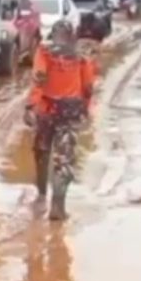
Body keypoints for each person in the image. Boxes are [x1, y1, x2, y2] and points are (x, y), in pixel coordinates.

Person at [25, 19, 95, 221]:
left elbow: (39, 77)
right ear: (72, 35)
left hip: (46, 109)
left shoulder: (45, 51)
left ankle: (40, 195)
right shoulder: (81, 54)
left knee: (41, 151)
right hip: (70, 112)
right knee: (63, 161)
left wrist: (30, 106)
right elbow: (88, 87)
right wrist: (86, 109)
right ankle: (58, 207)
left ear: (53, 34)